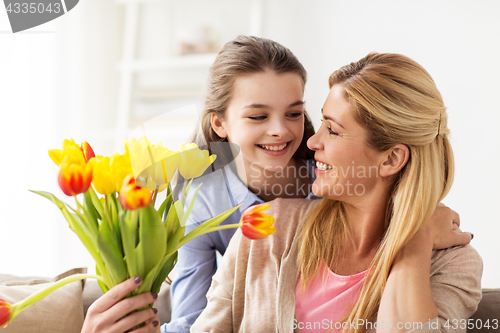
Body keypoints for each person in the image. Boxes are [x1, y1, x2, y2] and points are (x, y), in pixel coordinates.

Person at [190, 53, 483, 333]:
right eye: (321, 124)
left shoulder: (453, 264)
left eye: (332, 130)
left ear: (391, 159)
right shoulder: (268, 227)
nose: (313, 141)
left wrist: (413, 239)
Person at [164, 35, 319, 333]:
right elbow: (191, 319)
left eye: (293, 114)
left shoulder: (331, 183)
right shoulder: (203, 201)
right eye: (258, 116)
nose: (279, 130)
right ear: (219, 124)